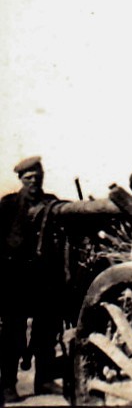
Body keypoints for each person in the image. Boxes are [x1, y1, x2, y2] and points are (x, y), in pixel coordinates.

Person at [0, 157, 62, 401]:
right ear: (21, 180)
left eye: (38, 176)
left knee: (46, 330)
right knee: (12, 333)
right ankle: (7, 385)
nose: (34, 181)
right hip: (14, 278)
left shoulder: (51, 203)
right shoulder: (8, 205)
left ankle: (44, 380)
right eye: (29, 178)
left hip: (43, 277)